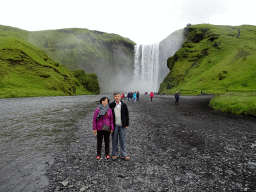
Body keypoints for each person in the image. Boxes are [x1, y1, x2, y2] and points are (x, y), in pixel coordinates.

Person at [109, 92, 130, 161]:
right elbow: (108, 116)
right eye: (115, 96)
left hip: (122, 125)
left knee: (122, 140)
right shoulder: (111, 105)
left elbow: (127, 115)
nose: (117, 97)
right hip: (114, 125)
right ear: (113, 97)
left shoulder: (124, 105)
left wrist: (127, 124)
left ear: (120, 97)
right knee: (114, 139)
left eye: (118, 96)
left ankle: (124, 154)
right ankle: (114, 153)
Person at [92, 97, 114, 161]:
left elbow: (111, 119)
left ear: (108, 102)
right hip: (99, 128)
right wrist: (94, 128)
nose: (105, 102)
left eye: (106, 101)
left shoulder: (109, 110)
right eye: (103, 101)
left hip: (107, 128)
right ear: (101, 101)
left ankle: (107, 154)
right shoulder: (97, 109)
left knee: (107, 142)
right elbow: (94, 119)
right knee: (99, 142)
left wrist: (112, 128)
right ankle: (98, 155)